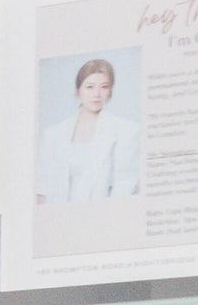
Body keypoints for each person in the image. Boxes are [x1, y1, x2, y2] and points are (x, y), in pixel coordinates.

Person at [37, 56, 143, 203]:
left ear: (110, 91)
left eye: (104, 87)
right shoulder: (53, 134)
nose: (97, 94)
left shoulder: (127, 131)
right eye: (90, 87)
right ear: (78, 90)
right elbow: (42, 189)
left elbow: (125, 188)